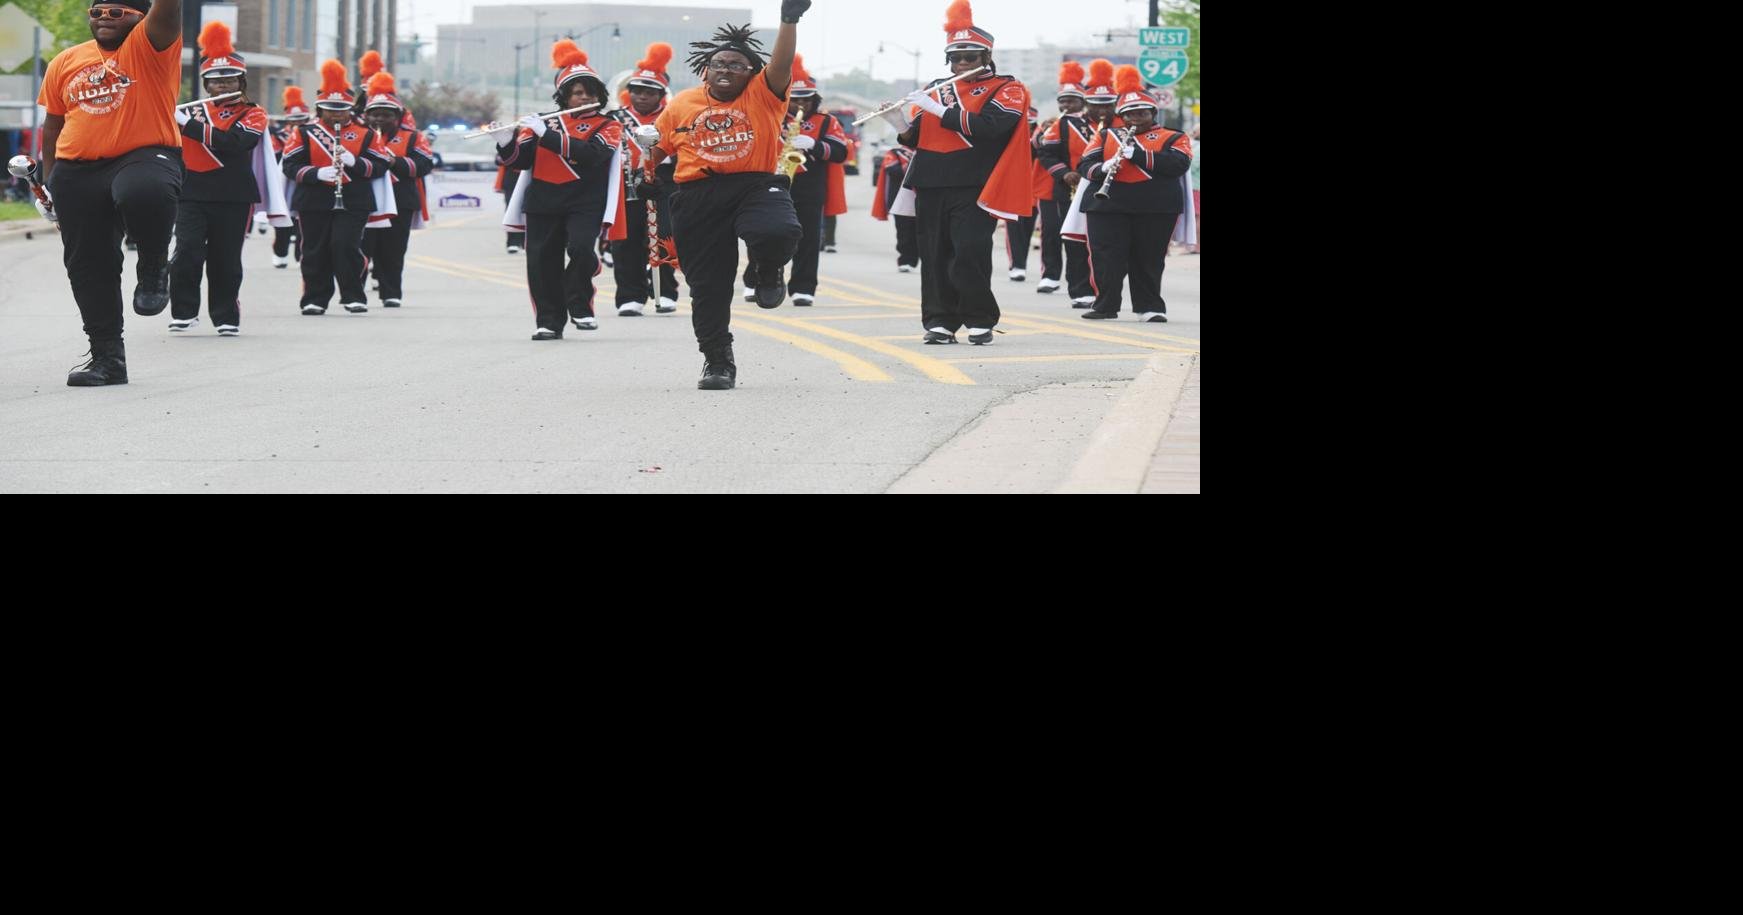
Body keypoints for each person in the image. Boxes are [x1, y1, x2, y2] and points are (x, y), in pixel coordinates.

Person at [644, 5, 809, 390]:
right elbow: (655, 151)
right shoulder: (682, 103)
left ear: (752, 74)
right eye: (718, 64)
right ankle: (717, 360)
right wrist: (649, 179)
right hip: (697, 195)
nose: (725, 69)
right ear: (706, 70)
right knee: (708, 288)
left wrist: (789, 20)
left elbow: (781, 62)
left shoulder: (764, 94)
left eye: (736, 65)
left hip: (754, 185)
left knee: (778, 231)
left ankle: (767, 270)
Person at [36, 0, 185, 386]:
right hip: (76, 169)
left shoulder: (150, 46)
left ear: (140, 18)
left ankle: (153, 268)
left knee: (143, 190)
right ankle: (107, 359)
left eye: (116, 12)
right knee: (88, 265)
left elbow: (168, 9)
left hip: (143, 155)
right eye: (96, 11)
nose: (103, 18)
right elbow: (52, 124)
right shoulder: (65, 61)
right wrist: (51, 181)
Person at [884, 0, 1032, 346]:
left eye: (970, 56)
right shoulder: (939, 85)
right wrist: (899, 122)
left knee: (969, 250)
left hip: (975, 182)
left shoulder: (1007, 88)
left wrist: (938, 107)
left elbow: (991, 127)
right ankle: (940, 321)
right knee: (934, 254)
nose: (962, 63)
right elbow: (918, 137)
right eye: (956, 57)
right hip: (931, 179)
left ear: (986, 57)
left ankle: (980, 319)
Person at [494, 40, 626, 339]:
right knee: (541, 262)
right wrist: (505, 142)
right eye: (576, 93)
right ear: (564, 96)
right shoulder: (542, 123)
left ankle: (578, 301)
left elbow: (592, 155)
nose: (583, 97)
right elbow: (520, 161)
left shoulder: (608, 125)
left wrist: (547, 136)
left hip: (585, 202)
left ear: (599, 96)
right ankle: (549, 321)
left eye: (589, 92)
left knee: (581, 250)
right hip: (543, 200)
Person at [167, 20, 279, 336]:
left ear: (241, 81)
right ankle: (184, 312)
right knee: (187, 252)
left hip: (234, 195)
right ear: (206, 85)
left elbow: (236, 144)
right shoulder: (191, 111)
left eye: (230, 79)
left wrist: (186, 125)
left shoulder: (253, 113)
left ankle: (225, 315)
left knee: (226, 259)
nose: (223, 85)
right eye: (216, 80)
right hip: (191, 191)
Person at [1078, 66, 1193, 323]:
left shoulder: (1174, 136)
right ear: (1122, 116)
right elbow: (1084, 165)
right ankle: (1105, 305)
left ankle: (1149, 307)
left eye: (1141, 112)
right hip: (1107, 206)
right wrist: (1104, 167)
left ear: (1153, 113)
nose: (1135, 118)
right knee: (1106, 257)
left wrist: (1139, 155)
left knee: (1148, 258)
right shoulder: (1106, 135)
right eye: (1129, 114)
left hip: (1155, 207)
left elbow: (1179, 164)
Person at [279, 58, 393, 316]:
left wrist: (356, 162)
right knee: (313, 249)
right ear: (320, 109)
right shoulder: (304, 132)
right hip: (313, 198)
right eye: (330, 108)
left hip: (354, 199)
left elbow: (380, 165)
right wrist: (316, 173)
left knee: (345, 246)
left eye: (342, 108)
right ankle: (315, 298)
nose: (336, 113)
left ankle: (353, 295)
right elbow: (289, 165)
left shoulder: (366, 134)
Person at [741, 54, 847, 307]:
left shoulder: (826, 121)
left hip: (809, 186)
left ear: (814, 99)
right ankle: (754, 280)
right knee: (763, 235)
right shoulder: (768, 115)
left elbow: (841, 152)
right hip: (771, 182)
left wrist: (816, 145)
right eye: (795, 99)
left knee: (809, 238)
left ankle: (803, 287)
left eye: (806, 99)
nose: (801, 104)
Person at [609, 42, 681, 316]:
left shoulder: (672, 118)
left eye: (649, 92)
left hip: (664, 183)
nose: (641, 96)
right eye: (636, 90)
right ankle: (630, 295)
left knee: (663, 235)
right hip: (626, 184)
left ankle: (665, 291)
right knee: (626, 240)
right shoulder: (615, 118)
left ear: (661, 94)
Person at [359, 71, 434, 309]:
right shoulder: (358, 135)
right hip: (364, 201)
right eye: (374, 115)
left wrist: (394, 162)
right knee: (362, 247)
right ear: (366, 116)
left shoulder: (413, 137)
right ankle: (354, 292)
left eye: (386, 115)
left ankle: (391, 292)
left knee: (393, 249)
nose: (380, 119)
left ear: (398, 116)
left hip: (401, 200)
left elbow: (424, 164)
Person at [269, 86, 312, 268]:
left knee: (305, 220)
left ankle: (302, 252)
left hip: (305, 180)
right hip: (284, 178)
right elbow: (274, 157)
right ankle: (280, 252)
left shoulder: (313, 134)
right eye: (294, 121)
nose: (298, 124)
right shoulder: (278, 135)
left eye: (301, 120)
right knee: (284, 219)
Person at [869, 140, 918, 272]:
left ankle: (915, 259)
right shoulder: (895, 152)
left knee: (920, 232)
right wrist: (912, 165)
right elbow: (892, 170)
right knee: (903, 231)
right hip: (900, 199)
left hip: (920, 199)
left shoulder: (924, 151)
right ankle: (905, 260)